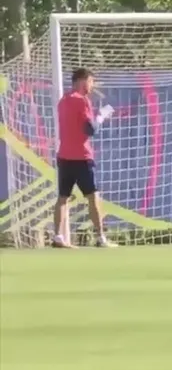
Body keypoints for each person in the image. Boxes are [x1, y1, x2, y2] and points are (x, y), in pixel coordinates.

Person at [54, 68, 116, 248]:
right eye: (91, 82)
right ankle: (101, 238)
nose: (92, 86)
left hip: (64, 156)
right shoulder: (82, 101)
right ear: (83, 82)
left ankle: (58, 236)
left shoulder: (63, 101)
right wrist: (101, 117)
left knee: (63, 197)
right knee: (93, 196)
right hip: (82, 157)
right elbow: (90, 130)